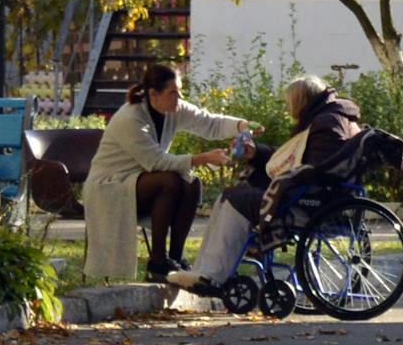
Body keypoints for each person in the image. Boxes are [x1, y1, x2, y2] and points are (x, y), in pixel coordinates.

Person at [167, 76, 368, 293]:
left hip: (312, 204)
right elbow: (298, 160)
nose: (289, 109)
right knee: (232, 195)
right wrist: (257, 153)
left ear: (302, 101)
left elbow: (312, 170)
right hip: (320, 199)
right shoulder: (331, 118)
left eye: (290, 103)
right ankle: (203, 271)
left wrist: (278, 179)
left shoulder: (326, 124)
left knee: (236, 199)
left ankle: (211, 275)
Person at [80, 63, 255, 283]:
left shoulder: (174, 109)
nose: (178, 97)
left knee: (191, 183)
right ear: (153, 94)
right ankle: (158, 262)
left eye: (179, 90)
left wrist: (241, 125)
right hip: (109, 188)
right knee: (170, 181)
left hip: (140, 181)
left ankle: (175, 258)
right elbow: (156, 161)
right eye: (173, 92)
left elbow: (209, 123)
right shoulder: (131, 119)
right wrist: (203, 158)